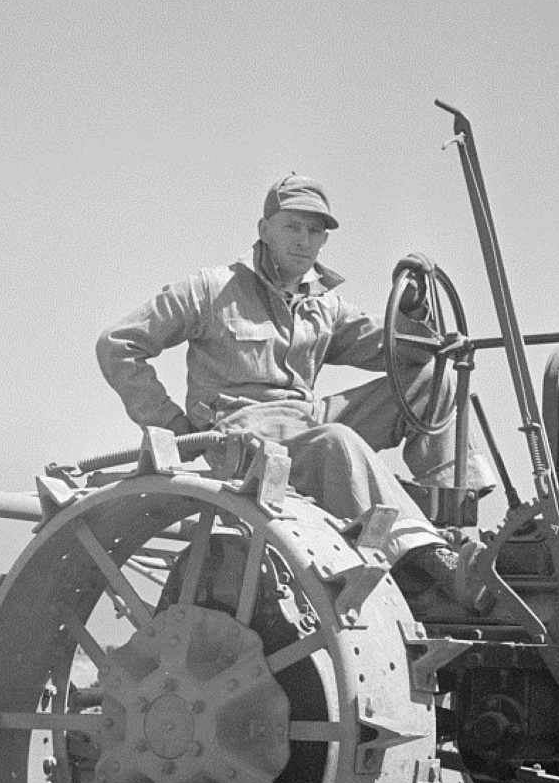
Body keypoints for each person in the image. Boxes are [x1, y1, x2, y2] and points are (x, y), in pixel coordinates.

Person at [95, 173, 496, 611]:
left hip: (308, 426)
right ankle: (430, 561)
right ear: (264, 230)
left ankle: (456, 521)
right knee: (337, 441)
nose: (304, 241)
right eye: (292, 227)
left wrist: (414, 312)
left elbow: (401, 355)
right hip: (243, 438)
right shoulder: (211, 289)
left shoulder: (324, 305)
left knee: (433, 380)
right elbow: (118, 345)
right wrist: (176, 428)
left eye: (315, 231)